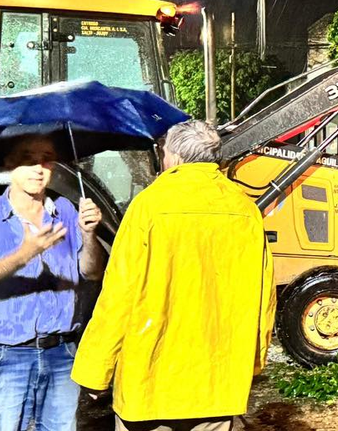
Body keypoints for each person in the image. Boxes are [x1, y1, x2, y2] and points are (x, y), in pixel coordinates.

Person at [71, 120, 275, 431]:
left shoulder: (148, 207)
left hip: (150, 383)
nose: (162, 159)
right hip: (216, 384)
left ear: (177, 157)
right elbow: (263, 297)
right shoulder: (245, 210)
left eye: (163, 152)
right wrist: (253, 362)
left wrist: (95, 371)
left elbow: (119, 296)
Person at [0, 134, 105, 431]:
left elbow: (92, 273)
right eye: (28, 158)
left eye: (46, 158)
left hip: (61, 353)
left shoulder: (66, 210)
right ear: (10, 164)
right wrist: (25, 254)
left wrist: (89, 235)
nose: (39, 168)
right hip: (4, 354)